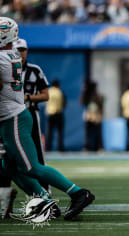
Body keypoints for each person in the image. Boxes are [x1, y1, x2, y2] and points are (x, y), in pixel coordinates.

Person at [0, 17, 94, 221]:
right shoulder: (10, 55)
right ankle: (44, 201)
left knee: (31, 167)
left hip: (13, 118)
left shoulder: (3, 58)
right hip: (10, 117)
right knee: (10, 168)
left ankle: (78, 193)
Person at [13, 38, 52, 192]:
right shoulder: (5, 69)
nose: (20, 53)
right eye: (17, 50)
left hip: (30, 113)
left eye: (22, 50)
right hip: (9, 116)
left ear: (27, 51)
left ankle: (45, 190)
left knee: (37, 153)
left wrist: (28, 97)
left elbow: (46, 95)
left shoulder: (35, 70)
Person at [81, 81, 104, 151]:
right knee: (89, 133)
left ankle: (97, 147)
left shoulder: (96, 95)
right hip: (90, 116)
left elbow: (100, 104)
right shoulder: (88, 95)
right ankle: (88, 147)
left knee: (96, 133)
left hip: (94, 117)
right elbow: (82, 102)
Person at [46, 80, 66, 152]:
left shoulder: (49, 91)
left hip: (50, 113)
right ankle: (60, 148)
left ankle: (48, 148)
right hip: (58, 113)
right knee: (60, 132)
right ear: (58, 85)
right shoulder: (60, 92)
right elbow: (64, 103)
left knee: (49, 132)